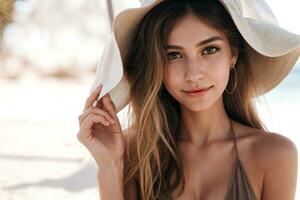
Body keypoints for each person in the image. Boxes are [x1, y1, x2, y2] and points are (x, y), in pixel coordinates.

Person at [77, 0, 300, 199]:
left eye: (209, 50)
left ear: (233, 54)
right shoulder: (132, 152)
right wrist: (109, 166)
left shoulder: (274, 155)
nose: (193, 75)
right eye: (173, 55)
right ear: (156, 64)